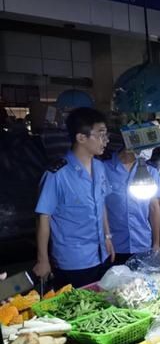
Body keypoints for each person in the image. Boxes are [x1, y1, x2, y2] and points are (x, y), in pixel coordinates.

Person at [33, 107, 115, 288]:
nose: (106, 140)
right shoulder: (57, 174)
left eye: (106, 135)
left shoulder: (100, 167)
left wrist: (108, 237)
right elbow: (43, 218)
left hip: (101, 253)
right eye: (101, 135)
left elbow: (101, 205)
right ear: (81, 138)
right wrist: (43, 260)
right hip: (73, 260)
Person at [104, 148, 160, 266]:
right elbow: (101, 207)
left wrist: (156, 243)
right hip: (114, 246)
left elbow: (154, 207)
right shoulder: (104, 169)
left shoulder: (150, 172)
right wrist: (106, 237)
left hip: (142, 243)